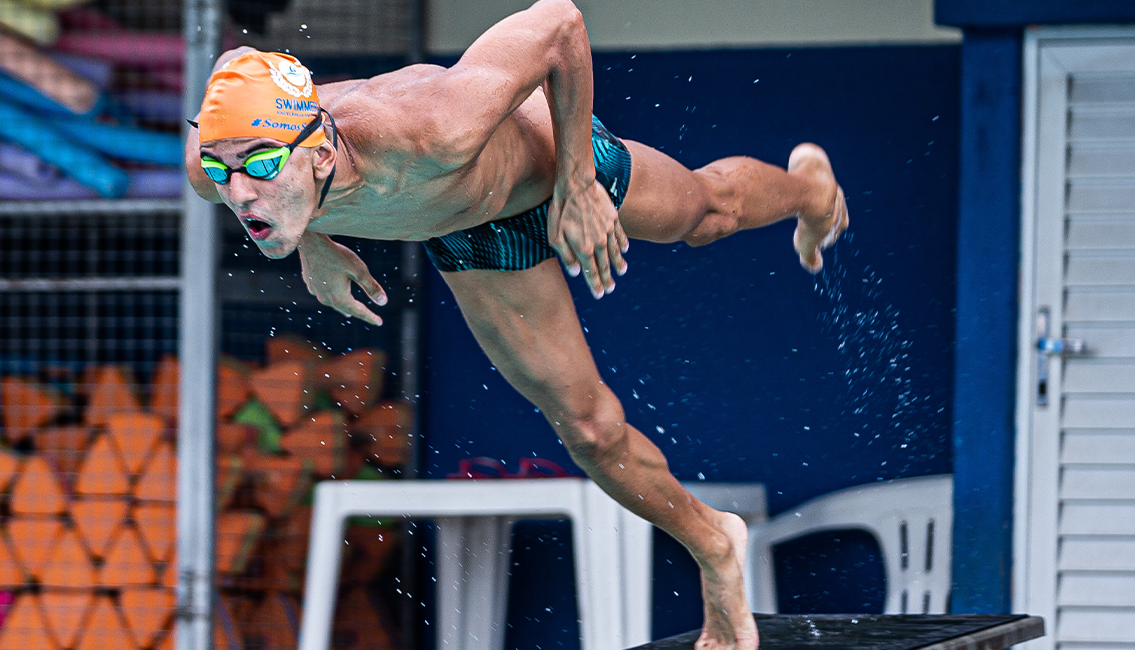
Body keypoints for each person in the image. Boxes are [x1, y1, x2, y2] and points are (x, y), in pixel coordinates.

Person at [185, 1, 847, 647]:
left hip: (548, 164)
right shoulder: (222, 162)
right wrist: (312, 240)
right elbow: (238, 66)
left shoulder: (432, 126)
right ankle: (714, 545)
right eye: (224, 169)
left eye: (264, 166)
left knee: (705, 215)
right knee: (589, 430)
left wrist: (580, 182)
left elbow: (560, 21)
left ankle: (811, 193)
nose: (240, 193)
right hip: (468, 231)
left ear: (320, 155)